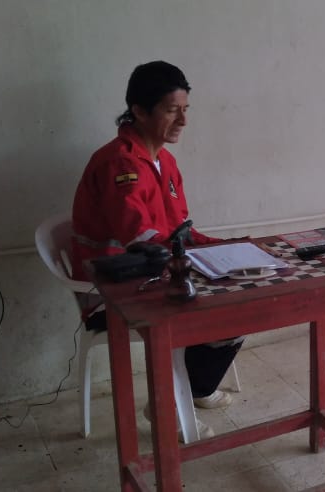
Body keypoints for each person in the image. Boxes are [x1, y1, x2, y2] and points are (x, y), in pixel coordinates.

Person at [70, 61, 242, 437]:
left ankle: (195, 388)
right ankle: (168, 405)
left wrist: (232, 249)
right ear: (139, 111)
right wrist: (204, 261)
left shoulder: (165, 161)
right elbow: (141, 239)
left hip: (154, 273)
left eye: (186, 109)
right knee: (217, 306)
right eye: (171, 110)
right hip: (112, 288)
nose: (183, 120)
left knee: (244, 296)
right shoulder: (119, 163)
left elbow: (179, 232)